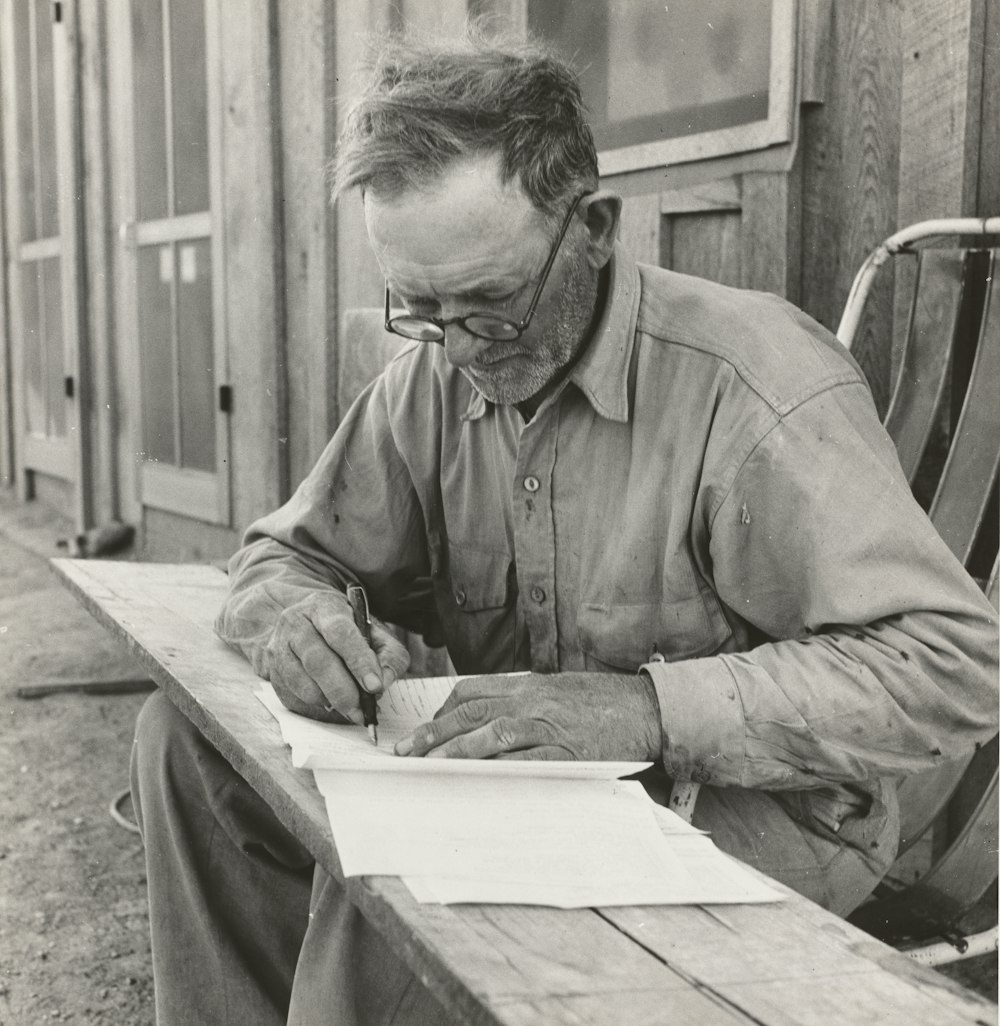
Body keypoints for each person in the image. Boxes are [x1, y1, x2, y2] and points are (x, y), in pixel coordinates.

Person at [131, 33, 998, 1026]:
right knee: (185, 754)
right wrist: (292, 613)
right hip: (518, 782)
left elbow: (952, 665)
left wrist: (645, 713)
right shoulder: (430, 377)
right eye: (417, 308)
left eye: (490, 304)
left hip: (763, 808)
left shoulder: (755, 387)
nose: (455, 349)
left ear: (591, 227)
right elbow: (285, 554)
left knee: (406, 911)